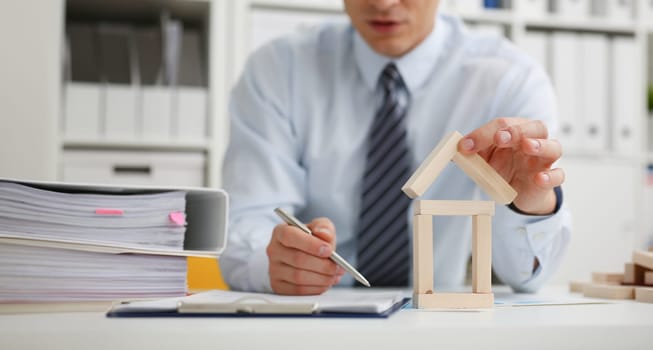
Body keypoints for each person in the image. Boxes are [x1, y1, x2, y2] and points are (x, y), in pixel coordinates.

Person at [220, 0, 571, 295]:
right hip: (319, 315)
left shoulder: (510, 79)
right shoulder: (278, 69)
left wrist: (530, 205)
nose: (382, 4)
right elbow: (247, 222)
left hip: (441, 322)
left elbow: (528, 277)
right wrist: (276, 261)